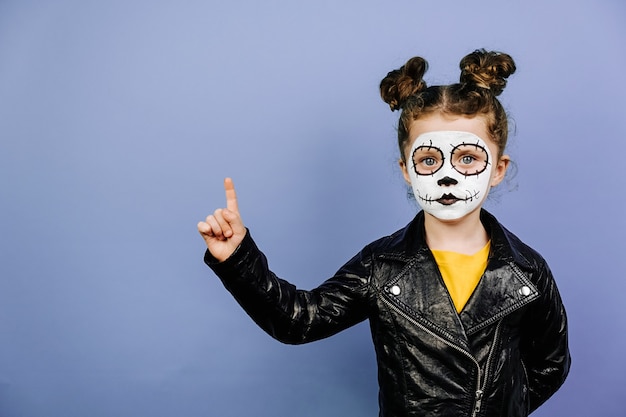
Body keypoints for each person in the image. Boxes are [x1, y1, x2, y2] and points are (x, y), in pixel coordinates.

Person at [197, 49, 570, 417]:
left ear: (498, 169)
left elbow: (550, 365)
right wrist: (237, 257)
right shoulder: (381, 265)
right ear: (406, 169)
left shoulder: (527, 271)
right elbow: (300, 320)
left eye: (468, 158)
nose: (447, 175)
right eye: (429, 160)